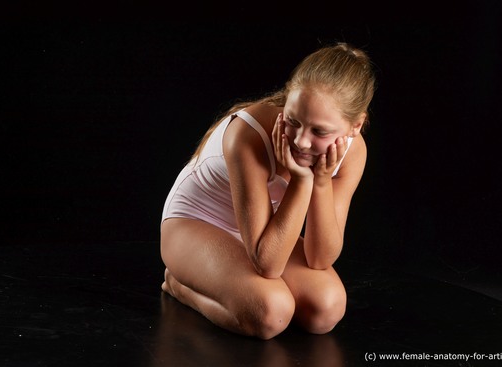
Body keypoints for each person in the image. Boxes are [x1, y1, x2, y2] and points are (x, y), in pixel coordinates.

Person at [160, 42, 376, 340]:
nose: (301, 141)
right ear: (286, 101)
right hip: (195, 224)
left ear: (355, 126)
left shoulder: (352, 153)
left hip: (262, 230)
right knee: (271, 312)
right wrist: (302, 180)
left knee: (326, 309)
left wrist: (322, 182)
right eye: (293, 121)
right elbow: (268, 264)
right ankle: (179, 285)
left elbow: (320, 258)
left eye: (319, 132)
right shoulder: (247, 136)